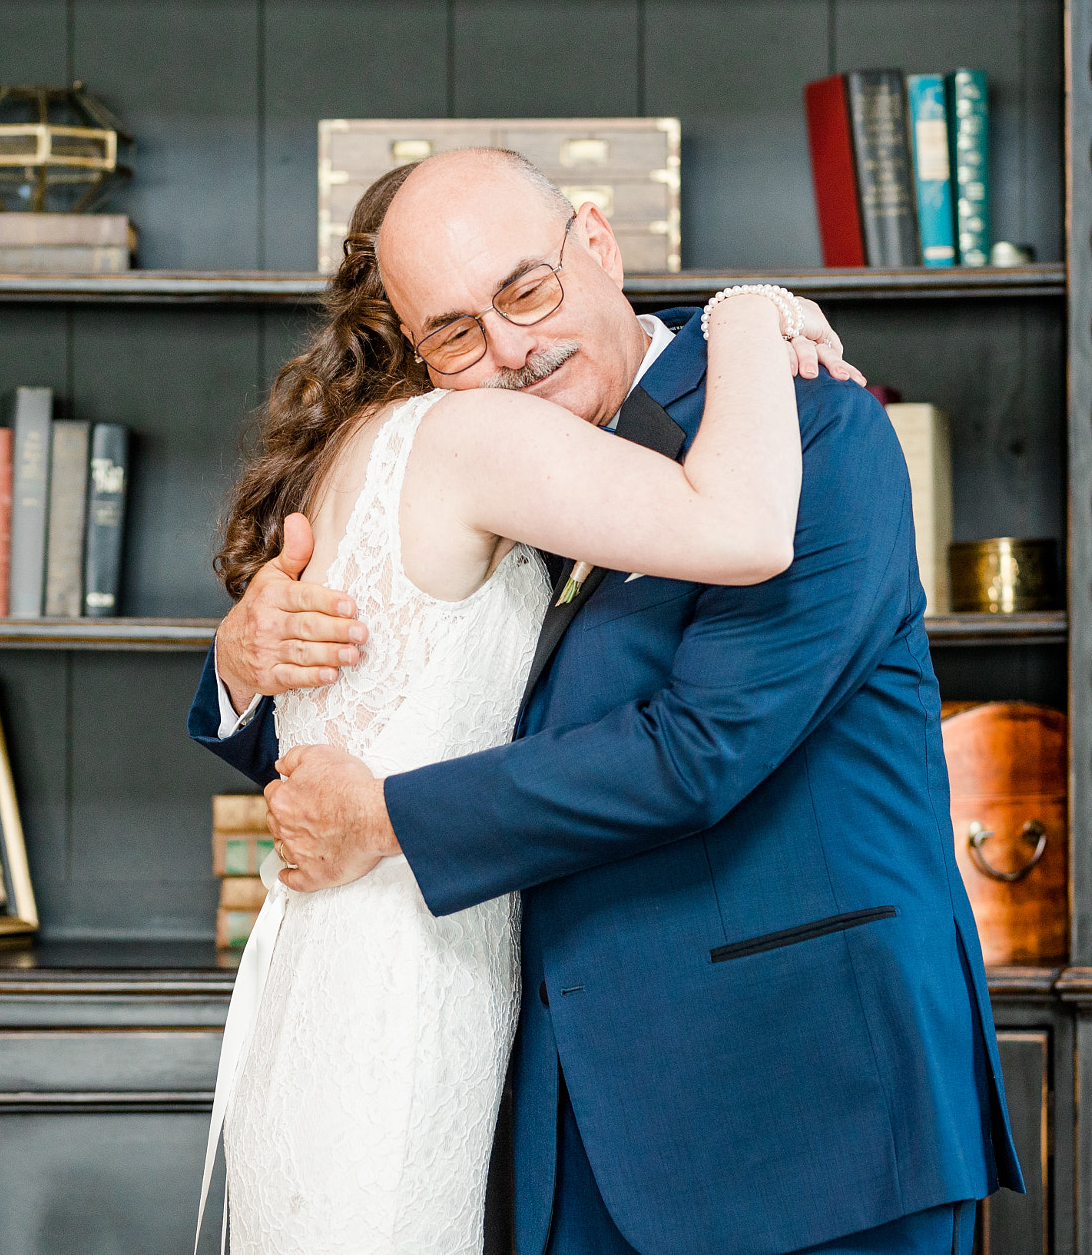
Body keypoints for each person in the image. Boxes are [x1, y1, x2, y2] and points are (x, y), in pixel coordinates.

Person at [194, 147, 1022, 1255]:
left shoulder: (805, 428)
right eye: (452, 332)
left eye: (524, 291)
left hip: (807, 1098)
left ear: (596, 240)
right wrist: (242, 660)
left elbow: (700, 749)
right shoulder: (489, 463)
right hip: (554, 1115)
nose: (509, 350)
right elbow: (375, 734)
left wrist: (384, 820)